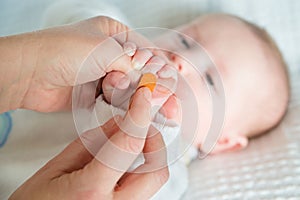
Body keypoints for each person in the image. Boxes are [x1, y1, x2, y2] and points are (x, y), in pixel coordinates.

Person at [0, 16, 173, 199]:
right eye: (184, 41)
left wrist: (163, 126)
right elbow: (73, 12)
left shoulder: (174, 174)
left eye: (207, 78)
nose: (179, 61)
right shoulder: (88, 79)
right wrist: (116, 41)